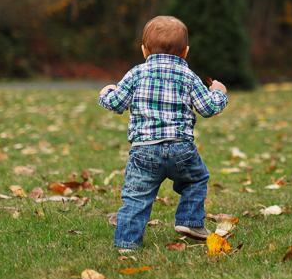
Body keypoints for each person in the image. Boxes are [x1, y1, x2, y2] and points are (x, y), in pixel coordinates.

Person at [98, 16, 228, 249]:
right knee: (196, 179)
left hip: (144, 151)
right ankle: (189, 220)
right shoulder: (189, 76)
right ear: (185, 52)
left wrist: (107, 92)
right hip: (182, 149)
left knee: (136, 197)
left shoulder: (136, 73)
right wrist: (218, 91)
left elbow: (116, 104)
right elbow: (208, 108)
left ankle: (126, 244)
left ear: (144, 50)